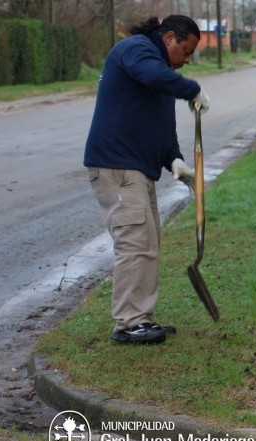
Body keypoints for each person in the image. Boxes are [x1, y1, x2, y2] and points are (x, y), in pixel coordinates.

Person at [84, 15, 210, 344]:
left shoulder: (161, 75)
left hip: (137, 170)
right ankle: (128, 323)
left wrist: (176, 161)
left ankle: (141, 318)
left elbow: (162, 129)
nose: (188, 59)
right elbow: (154, 76)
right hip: (117, 167)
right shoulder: (136, 50)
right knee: (135, 244)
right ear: (169, 37)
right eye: (186, 50)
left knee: (149, 243)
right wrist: (192, 89)